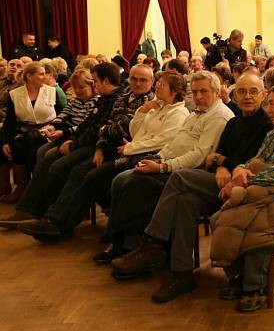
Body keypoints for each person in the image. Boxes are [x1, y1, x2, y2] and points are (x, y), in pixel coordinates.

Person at [106, 75, 274, 307]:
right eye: (242, 92)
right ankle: (182, 273)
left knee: (177, 178)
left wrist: (223, 163)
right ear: (234, 95)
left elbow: (252, 161)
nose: (247, 97)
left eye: (253, 91)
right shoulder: (234, 123)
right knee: (185, 201)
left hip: (245, 188)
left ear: (263, 94)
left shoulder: (267, 126)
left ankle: (152, 243)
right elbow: (214, 158)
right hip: (219, 182)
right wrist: (221, 164)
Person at [16, 71, 189, 243]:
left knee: (81, 172)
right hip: (118, 148)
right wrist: (141, 113)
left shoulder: (173, 111)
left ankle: (60, 220)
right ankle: (52, 218)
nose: (137, 83)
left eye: (146, 81)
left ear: (171, 90)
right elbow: (133, 130)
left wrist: (127, 146)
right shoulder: (149, 104)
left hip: (136, 153)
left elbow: (148, 137)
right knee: (62, 163)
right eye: (134, 79)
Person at [96, 71, 234, 260]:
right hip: (167, 161)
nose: (198, 96)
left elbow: (199, 156)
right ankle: (124, 241)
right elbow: (174, 142)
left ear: (217, 92)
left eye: (204, 91)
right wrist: (158, 158)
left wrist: (162, 166)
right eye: (194, 92)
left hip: (187, 172)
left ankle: (126, 244)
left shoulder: (218, 116)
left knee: (133, 182)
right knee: (121, 179)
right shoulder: (197, 113)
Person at [0, 62, 125, 228]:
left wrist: (73, 142)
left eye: (94, 81)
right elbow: (85, 123)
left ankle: (50, 214)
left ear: (105, 81)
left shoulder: (114, 99)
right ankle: (32, 209)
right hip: (83, 139)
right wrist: (66, 135)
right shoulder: (105, 99)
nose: (93, 85)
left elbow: (99, 130)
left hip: (99, 145)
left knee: (57, 163)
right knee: (43, 153)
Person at [0, 62, 62, 201]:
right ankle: (22, 187)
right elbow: (9, 121)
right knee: (16, 145)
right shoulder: (14, 94)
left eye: (45, 73)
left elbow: (64, 115)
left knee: (32, 145)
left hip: (49, 132)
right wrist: (5, 142)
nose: (45, 76)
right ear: (29, 76)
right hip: (24, 131)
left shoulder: (52, 91)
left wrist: (55, 128)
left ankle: (38, 191)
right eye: (41, 74)